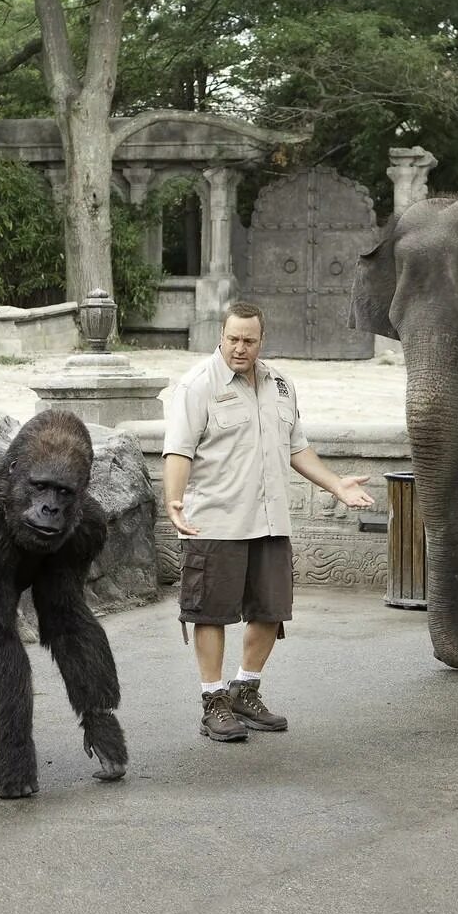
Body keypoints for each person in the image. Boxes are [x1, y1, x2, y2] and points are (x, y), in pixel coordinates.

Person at [161, 300, 375, 742]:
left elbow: (297, 448)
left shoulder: (280, 384)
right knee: (211, 613)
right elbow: (178, 450)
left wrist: (336, 485)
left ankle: (245, 688)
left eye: (249, 340)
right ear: (220, 336)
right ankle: (213, 700)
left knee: (271, 611)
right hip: (216, 521)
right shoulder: (196, 386)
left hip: (270, 520)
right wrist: (174, 500)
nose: (240, 348)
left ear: (262, 340)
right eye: (233, 339)